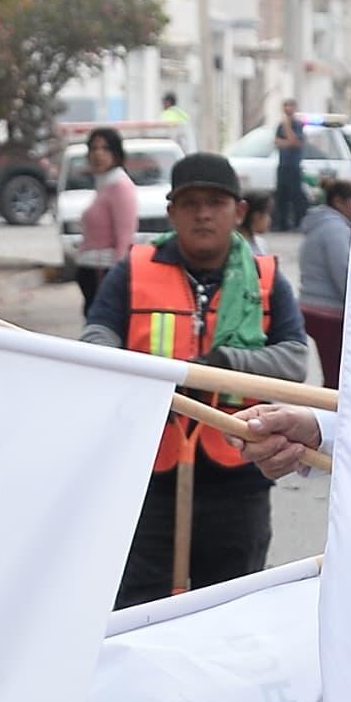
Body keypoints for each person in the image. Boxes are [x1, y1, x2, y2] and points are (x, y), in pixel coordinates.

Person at [81, 151, 316, 606]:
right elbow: (95, 337)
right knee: (139, 610)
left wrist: (223, 363)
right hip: (148, 479)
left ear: (239, 212)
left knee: (228, 614)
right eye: (190, 203)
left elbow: (293, 361)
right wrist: (140, 374)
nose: (203, 214)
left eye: (216, 202)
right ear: (171, 212)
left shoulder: (266, 280)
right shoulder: (136, 269)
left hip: (238, 481)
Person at [293, 170, 351, 392]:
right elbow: (344, 271)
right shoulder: (335, 229)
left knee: (334, 375)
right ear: (339, 202)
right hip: (329, 311)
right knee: (337, 379)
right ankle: (329, 422)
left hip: (312, 306)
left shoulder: (320, 224)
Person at [74, 128, 142, 294]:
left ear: (116, 153)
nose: (98, 154)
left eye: (105, 148)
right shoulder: (103, 185)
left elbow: (125, 239)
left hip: (104, 272)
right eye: (94, 149)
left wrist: (116, 279)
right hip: (90, 269)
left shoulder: (120, 186)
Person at [271, 100, 311, 228]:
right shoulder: (280, 126)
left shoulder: (297, 125)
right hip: (283, 166)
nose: (288, 109)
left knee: (296, 196)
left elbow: (296, 143)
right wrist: (287, 142)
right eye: (285, 106)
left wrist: (288, 127)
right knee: (281, 196)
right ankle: (282, 224)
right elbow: (277, 142)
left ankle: (298, 224)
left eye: (290, 106)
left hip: (294, 167)